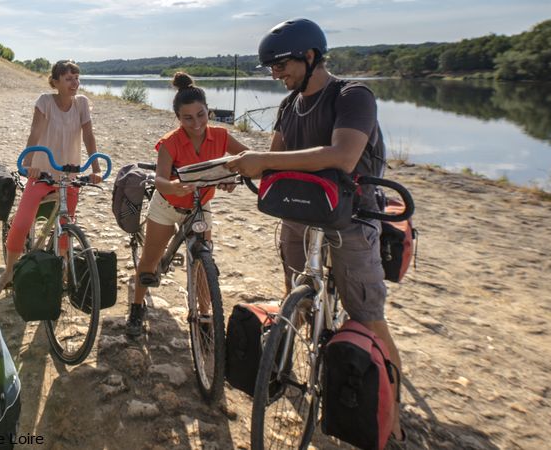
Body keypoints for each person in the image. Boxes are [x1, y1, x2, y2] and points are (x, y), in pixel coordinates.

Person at [223, 18, 403, 442]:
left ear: (309, 56)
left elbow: (343, 156)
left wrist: (264, 162)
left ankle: (393, 419)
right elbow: (274, 160)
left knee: (367, 317)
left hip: (352, 217)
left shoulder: (352, 96)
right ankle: (298, 360)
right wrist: (242, 168)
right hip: (300, 213)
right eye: (270, 67)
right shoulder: (289, 106)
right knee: (297, 298)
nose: (275, 74)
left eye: (280, 65)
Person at [125, 72, 249, 338]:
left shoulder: (221, 136)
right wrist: (170, 186)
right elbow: (160, 178)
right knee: (150, 260)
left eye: (201, 115)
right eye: (188, 118)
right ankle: (136, 307)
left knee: (204, 263)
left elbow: (247, 156)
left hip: (200, 206)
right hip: (167, 205)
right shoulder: (170, 143)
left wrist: (233, 175)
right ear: (178, 118)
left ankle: (204, 315)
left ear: (209, 111)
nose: (197, 123)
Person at [0, 60, 102, 297]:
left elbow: (89, 136)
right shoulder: (45, 102)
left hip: (69, 175)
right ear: (56, 82)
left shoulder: (81, 103)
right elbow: (35, 132)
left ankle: (62, 270)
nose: (75, 83)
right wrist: (29, 163)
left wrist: (96, 168)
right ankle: (9, 272)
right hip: (43, 174)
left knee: (66, 226)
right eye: (68, 79)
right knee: (22, 223)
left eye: (77, 78)